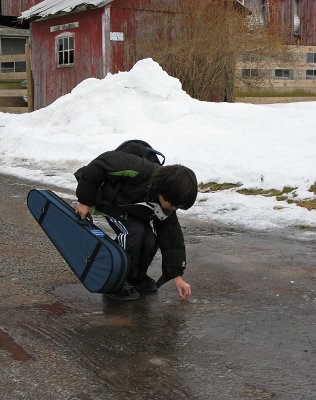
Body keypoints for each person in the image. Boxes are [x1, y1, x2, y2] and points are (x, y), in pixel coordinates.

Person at [74, 140, 198, 301]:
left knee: (149, 239)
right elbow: (100, 165)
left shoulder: (167, 204)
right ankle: (116, 280)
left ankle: (136, 278)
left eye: (178, 206)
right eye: (174, 204)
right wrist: (85, 200)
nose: (174, 209)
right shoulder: (139, 169)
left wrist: (177, 276)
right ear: (164, 190)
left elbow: (171, 238)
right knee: (133, 232)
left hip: (130, 207)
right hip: (105, 198)